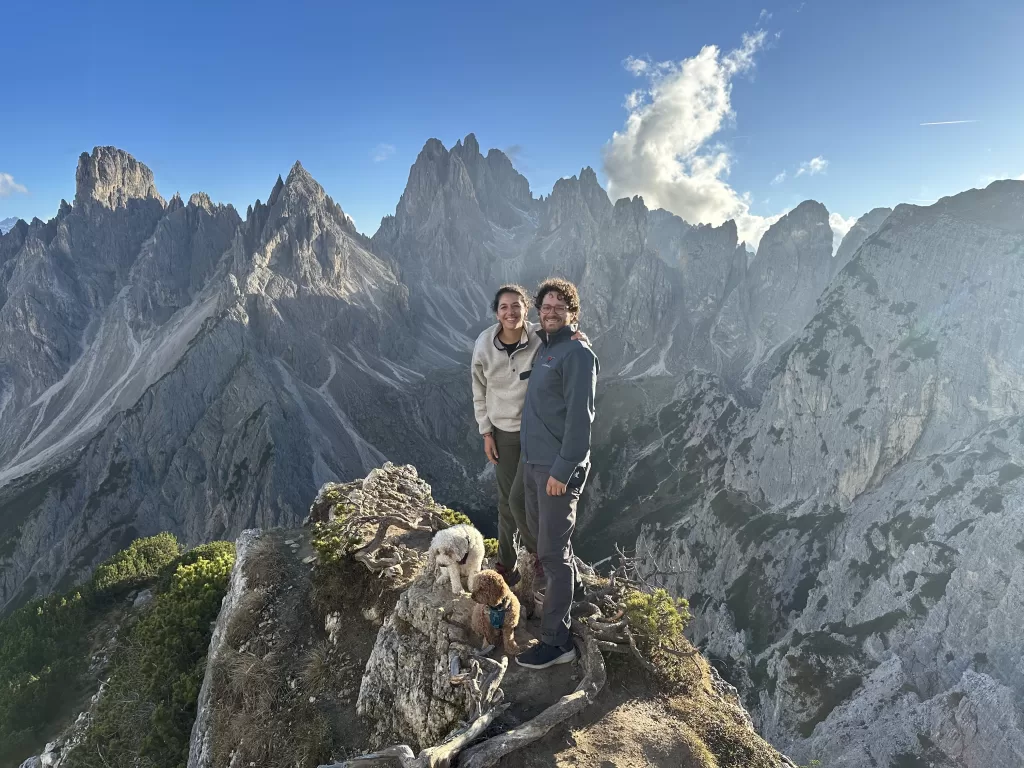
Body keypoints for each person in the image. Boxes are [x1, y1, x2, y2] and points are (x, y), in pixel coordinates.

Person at [471, 285, 588, 588]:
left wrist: (581, 337)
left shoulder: (539, 334)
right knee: (507, 502)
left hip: (536, 434)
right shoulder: (484, 344)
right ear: (496, 312)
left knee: (523, 501)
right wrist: (486, 431)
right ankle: (507, 564)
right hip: (504, 432)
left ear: (526, 309)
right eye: (504, 307)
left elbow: (564, 336)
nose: (510, 312)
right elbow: (478, 390)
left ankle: (541, 556)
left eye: (516, 306)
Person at [515, 278, 598, 670]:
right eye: (545, 307)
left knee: (551, 553)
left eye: (559, 308)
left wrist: (563, 471)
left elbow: (581, 422)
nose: (550, 313)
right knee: (542, 543)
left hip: (555, 469)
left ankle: (556, 642)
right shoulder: (547, 347)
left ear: (572, 314)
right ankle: (571, 593)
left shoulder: (577, 355)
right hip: (535, 463)